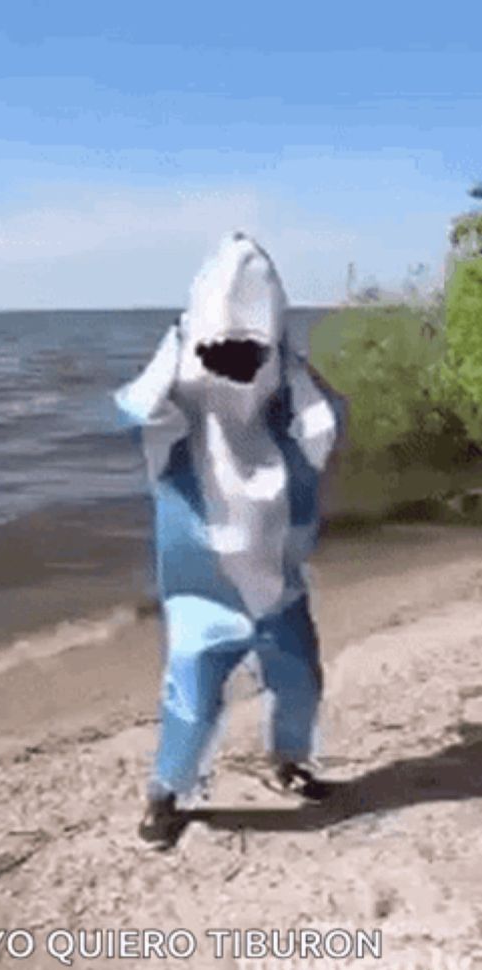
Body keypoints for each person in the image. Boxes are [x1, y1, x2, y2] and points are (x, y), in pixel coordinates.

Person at [114, 233, 344, 846]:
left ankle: (289, 761)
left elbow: (326, 420)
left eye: (251, 355)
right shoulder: (172, 430)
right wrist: (177, 345)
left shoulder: (289, 421)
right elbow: (137, 406)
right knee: (193, 702)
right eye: (220, 354)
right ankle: (165, 795)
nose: (234, 369)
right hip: (200, 601)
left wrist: (290, 362)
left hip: (281, 593)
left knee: (301, 682)